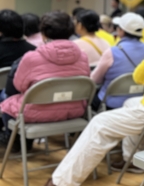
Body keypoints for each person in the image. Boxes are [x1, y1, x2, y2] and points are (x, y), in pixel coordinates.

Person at [21, 0, 144, 186]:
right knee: (130, 103)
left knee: (99, 123)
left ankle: (62, 185)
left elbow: (138, 77)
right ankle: (132, 159)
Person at [0, 11, 89, 149]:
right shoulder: (83, 56)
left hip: (35, 113)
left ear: (43, 33)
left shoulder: (31, 57)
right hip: (74, 110)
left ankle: (13, 140)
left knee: (6, 97)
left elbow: (18, 86)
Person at [90, 13, 144, 110]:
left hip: (111, 104)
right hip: (140, 101)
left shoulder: (112, 52)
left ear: (121, 31)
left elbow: (95, 79)